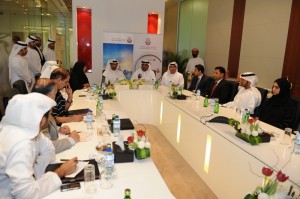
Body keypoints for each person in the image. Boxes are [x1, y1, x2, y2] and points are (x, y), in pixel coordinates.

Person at [0, 93, 77, 198]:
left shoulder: (29, 128)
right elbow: (25, 194)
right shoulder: (21, 144)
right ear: (42, 120)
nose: (51, 118)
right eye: (50, 115)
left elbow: (49, 150)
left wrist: (39, 177)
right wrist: (61, 172)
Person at [32, 78, 80, 153]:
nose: (55, 98)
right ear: (48, 95)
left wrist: (58, 129)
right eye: (54, 94)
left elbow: (48, 127)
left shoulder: (40, 106)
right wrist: (71, 140)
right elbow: (44, 147)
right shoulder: (37, 114)